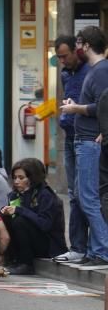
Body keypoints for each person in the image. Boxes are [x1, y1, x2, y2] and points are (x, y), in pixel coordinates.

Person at [62, 26, 108, 271]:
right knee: (84, 196)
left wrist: (75, 109)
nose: (77, 48)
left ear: (87, 45)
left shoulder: (100, 71)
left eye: (79, 43)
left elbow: (102, 106)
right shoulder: (96, 70)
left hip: (90, 142)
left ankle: (103, 248)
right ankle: (95, 249)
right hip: (86, 140)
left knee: (88, 198)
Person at [52, 34, 91, 264]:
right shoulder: (66, 74)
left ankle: (89, 246)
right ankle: (78, 246)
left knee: (85, 194)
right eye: (58, 57)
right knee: (75, 194)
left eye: (64, 56)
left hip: (85, 136)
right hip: (69, 135)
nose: (62, 61)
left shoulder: (90, 72)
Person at [0, 158, 67, 275]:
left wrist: (20, 210)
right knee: (5, 219)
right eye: (15, 178)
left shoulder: (45, 194)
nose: (16, 181)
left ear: (32, 178)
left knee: (20, 221)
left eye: (21, 178)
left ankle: (26, 264)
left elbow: (45, 224)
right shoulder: (15, 194)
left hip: (48, 244)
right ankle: (10, 259)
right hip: (30, 238)